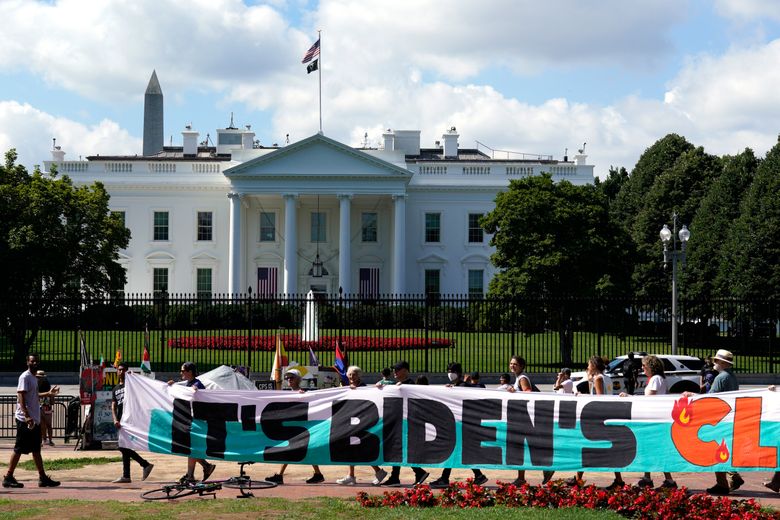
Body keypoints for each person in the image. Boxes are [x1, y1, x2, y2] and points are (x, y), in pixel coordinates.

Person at [2, 354, 61, 488]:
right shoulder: (25, 377)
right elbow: (21, 396)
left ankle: (42, 478)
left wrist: (48, 394)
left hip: (34, 420)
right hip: (25, 420)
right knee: (18, 448)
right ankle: (8, 477)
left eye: (36, 361)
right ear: (27, 362)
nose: (34, 363)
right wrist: (27, 415)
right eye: (32, 361)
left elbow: (34, 395)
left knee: (36, 449)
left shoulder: (33, 378)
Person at [429, 362, 488, 489]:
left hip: (462, 426)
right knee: (458, 452)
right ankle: (478, 475)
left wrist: (453, 389)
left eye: (452, 371)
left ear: (459, 373)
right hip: (458, 426)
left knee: (454, 451)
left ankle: (446, 478)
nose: (450, 373)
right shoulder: (456, 386)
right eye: (448, 371)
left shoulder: (462, 386)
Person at [567, 356, 623, 489]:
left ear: (594, 366)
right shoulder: (606, 377)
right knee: (602, 449)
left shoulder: (598, 378)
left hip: (598, 417)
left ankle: (579, 479)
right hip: (606, 415)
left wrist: (582, 396)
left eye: (588, 365)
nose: (587, 367)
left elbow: (599, 398)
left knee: (586, 447)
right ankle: (618, 479)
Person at [266, 369, 325, 485]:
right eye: (287, 378)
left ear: (298, 380)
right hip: (293, 427)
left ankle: (280, 475)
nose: (289, 379)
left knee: (298, 450)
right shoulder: (287, 393)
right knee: (296, 450)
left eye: (292, 377)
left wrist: (304, 395)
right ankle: (317, 474)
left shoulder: (304, 393)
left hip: (301, 427)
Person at [377, 360, 429, 487]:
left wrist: (401, 388)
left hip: (408, 423)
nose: (394, 371)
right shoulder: (397, 384)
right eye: (394, 369)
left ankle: (412, 474)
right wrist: (380, 387)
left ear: (405, 371)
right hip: (399, 422)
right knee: (398, 450)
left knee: (400, 450)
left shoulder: (410, 384)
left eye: (397, 369)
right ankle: (404, 475)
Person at [335, 366, 388, 486]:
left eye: (354, 374)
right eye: (350, 374)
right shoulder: (347, 388)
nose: (351, 376)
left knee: (361, 448)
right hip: (351, 423)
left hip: (362, 423)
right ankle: (353, 475)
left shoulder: (364, 387)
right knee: (352, 448)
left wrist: (377, 387)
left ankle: (376, 472)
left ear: (359, 375)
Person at [504, 356, 552, 485]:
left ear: (521, 366)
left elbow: (528, 392)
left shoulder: (522, 378)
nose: (512, 366)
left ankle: (545, 468)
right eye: (511, 363)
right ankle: (523, 477)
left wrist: (515, 392)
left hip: (525, 418)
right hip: (522, 418)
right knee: (524, 447)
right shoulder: (519, 378)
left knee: (526, 447)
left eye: (515, 364)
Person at [631, 356, 676, 489]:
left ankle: (668, 480)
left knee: (655, 449)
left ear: (651, 366)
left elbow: (649, 398)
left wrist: (631, 397)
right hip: (654, 419)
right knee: (649, 449)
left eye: (644, 366)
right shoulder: (659, 379)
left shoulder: (656, 379)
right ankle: (648, 477)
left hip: (653, 420)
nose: (642, 368)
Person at [168, 362, 216, 483]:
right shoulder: (188, 383)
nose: (181, 373)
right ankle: (203, 468)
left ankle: (192, 474)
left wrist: (193, 389)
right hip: (191, 420)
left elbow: (195, 390)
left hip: (199, 422)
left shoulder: (197, 383)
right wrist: (173, 385)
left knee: (191, 447)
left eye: (183, 371)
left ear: (189, 372)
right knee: (190, 447)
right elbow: (184, 388)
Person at [705, 349, 743, 496]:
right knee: (723, 449)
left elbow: (711, 397)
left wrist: (694, 396)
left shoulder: (721, 378)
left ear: (722, 362)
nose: (714, 363)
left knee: (716, 450)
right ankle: (732, 476)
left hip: (719, 419)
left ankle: (722, 483)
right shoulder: (732, 377)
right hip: (729, 418)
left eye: (716, 360)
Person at [111, 362, 154, 483]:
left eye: (123, 370)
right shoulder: (115, 389)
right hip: (121, 420)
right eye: (119, 370)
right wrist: (115, 419)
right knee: (124, 446)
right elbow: (113, 405)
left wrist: (134, 376)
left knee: (122, 446)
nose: (121, 372)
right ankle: (128, 475)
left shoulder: (131, 385)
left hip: (130, 419)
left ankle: (143, 465)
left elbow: (143, 388)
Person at [36, 370, 55, 446]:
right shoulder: (36, 385)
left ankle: (48, 440)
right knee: (42, 425)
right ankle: (44, 440)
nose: (39, 379)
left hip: (45, 407)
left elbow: (52, 401)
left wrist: (52, 396)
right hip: (41, 407)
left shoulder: (45, 385)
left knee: (47, 425)